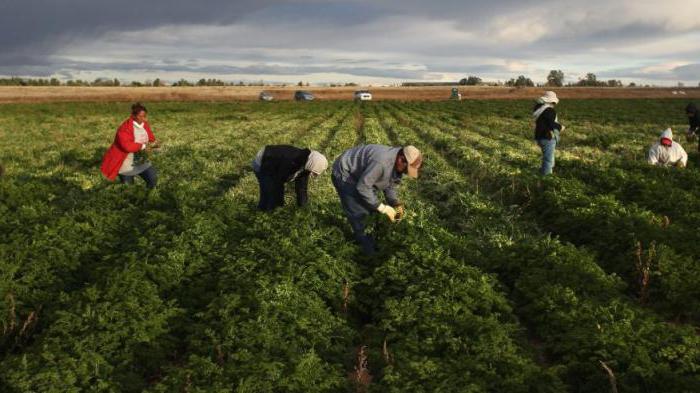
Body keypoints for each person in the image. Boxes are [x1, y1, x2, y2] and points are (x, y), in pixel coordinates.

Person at [332, 144, 422, 255]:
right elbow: (363, 187)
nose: (405, 172)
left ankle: (373, 242)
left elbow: (390, 185)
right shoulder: (382, 162)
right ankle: (369, 255)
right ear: (401, 159)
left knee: (371, 211)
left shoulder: (396, 164)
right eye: (406, 169)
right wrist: (383, 208)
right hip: (346, 173)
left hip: (362, 177)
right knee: (361, 215)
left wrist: (395, 203)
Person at [100, 103, 159, 189]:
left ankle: (147, 198)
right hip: (126, 164)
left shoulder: (144, 125)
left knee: (152, 179)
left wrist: (155, 144)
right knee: (128, 189)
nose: (144, 118)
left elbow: (150, 137)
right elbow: (127, 146)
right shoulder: (125, 128)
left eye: (145, 116)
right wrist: (142, 146)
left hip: (142, 161)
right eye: (141, 116)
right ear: (134, 116)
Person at [252, 145, 328, 211]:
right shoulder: (291, 160)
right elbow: (278, 183)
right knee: (268, 191)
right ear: (311, 165)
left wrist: (303, 207)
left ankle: (272, 211)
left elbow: (301, 188)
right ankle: (263, 212)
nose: (313, 175)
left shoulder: (306, 164)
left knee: (273, 195)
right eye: (314, 172)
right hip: (263, 160)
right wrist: (279, 206)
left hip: (276, 164)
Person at [533, 91, 565, 175]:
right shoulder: (549, 110)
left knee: (548, 157)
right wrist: (560, 127)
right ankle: (547, 178)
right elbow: (551, 124)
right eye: (554, 102)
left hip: (540, 136)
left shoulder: (539, 109)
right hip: (548, 137)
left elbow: (545, 122)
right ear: (552, 101)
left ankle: (546, 172)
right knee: (548, 159)